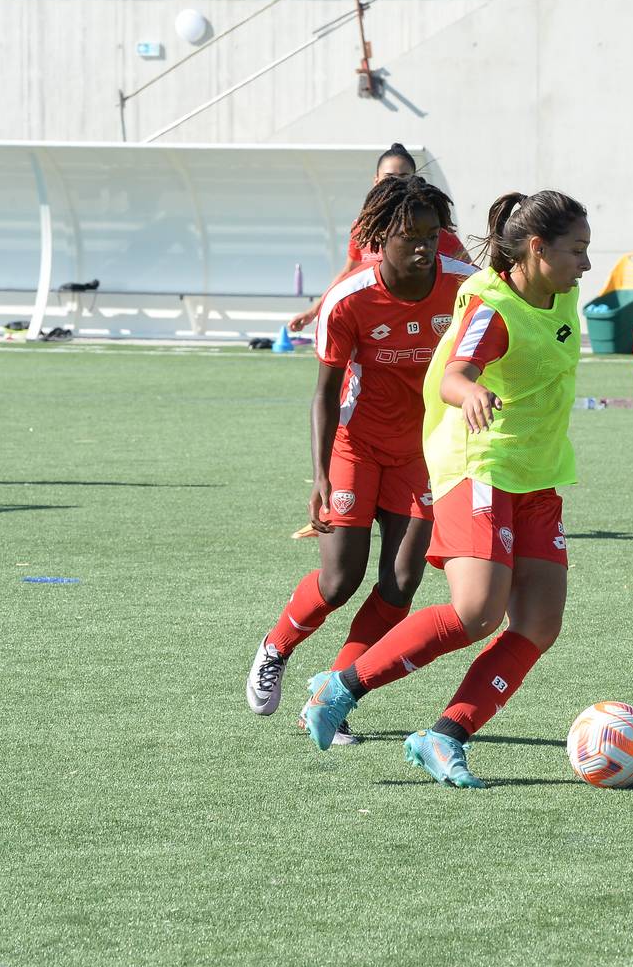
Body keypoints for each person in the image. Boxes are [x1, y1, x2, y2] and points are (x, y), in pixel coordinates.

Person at [299, 189, 591, 789]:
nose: (586, 264)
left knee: (539, 624)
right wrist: (472, 391)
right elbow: (455, 374)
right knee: (477, 612)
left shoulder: (561, 291)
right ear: (538, 249)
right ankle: (341, 687)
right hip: (478, 465)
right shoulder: (491, 307)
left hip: (537, 473)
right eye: (577, 250)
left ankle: (445, 736)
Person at [245, 176, 477, 745]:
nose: (424, 247)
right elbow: (325, 393)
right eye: (410, 236)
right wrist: (321, 474)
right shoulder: (349, 298)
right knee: (340, 579)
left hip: (422, 453)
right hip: (356, 446)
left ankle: (331, 697)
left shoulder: (464, 286)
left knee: (401, 583)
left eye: (432, 235)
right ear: (379, 239)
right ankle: (277, 645)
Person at [287, 144, 470, 334]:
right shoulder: (364, 227)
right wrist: (314, 311)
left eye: (404, 177)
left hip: (420, 328)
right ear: (376, 181)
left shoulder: (432, 228)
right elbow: (348, 272)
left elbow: (468, 273)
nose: (395, 184)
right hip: (375, 326)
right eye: (389, 177)